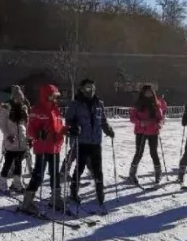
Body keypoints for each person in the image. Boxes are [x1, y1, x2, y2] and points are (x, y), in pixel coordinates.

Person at [64, 78, 115, 211]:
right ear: (81, 89)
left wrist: (108, 129)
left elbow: (102, 120)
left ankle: (100, 191)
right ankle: (74, 191)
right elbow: (69, 119)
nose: (90, 90)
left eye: (92, 87)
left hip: (95, 141)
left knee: (98, 169)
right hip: (82, 141)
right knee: (79, 168)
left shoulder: (99, 104)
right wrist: (73, 127)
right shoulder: (76, 104)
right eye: (87, 87)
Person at [18, 83, 67, 214]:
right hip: (43, 147)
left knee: (55, 174)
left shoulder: (56, 110)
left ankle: (55, 198)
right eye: (53, 96)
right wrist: (38, 134)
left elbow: (59, 128)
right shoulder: (36, 110)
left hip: (55, 147)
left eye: (56, 96)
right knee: (39, 175)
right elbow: (30, 130)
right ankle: (27, 201)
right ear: (46, 96)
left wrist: (67, 130)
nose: (55, 98)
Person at [128, 84, 166, 185]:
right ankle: (132, 173)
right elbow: (132, 117)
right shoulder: (138, 104)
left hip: (153, 131)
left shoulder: (156, 104)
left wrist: (159, 124)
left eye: (150, 91)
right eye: (146, 92)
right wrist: (140, 122)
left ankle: (158, 172)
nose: (148, 93)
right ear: (143, 93)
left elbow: (161, 118)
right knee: (139, 153)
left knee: (153, 153)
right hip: (141, 131)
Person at [0, 85, 30, 193]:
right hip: (11, 140)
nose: (19, 98)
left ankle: (17, 183)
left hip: (22, 140)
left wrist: (29, 137)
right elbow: (2, 124)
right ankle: (2, 183)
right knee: (8, 162)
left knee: (19, 163)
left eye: (21, 96)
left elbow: (27, 124)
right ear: (13, 96)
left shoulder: (24, 108)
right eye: (17, 96)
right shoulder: (6, 107)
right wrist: (8, 135)